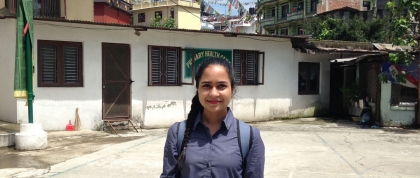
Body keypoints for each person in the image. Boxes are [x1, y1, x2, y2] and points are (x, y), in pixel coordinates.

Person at [160, 57, 265, 178]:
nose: (214, 93)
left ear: (232, 90)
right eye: (206, 85)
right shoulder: (178, 133)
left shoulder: (250, 137)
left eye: (221, 86)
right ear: (197, 89)